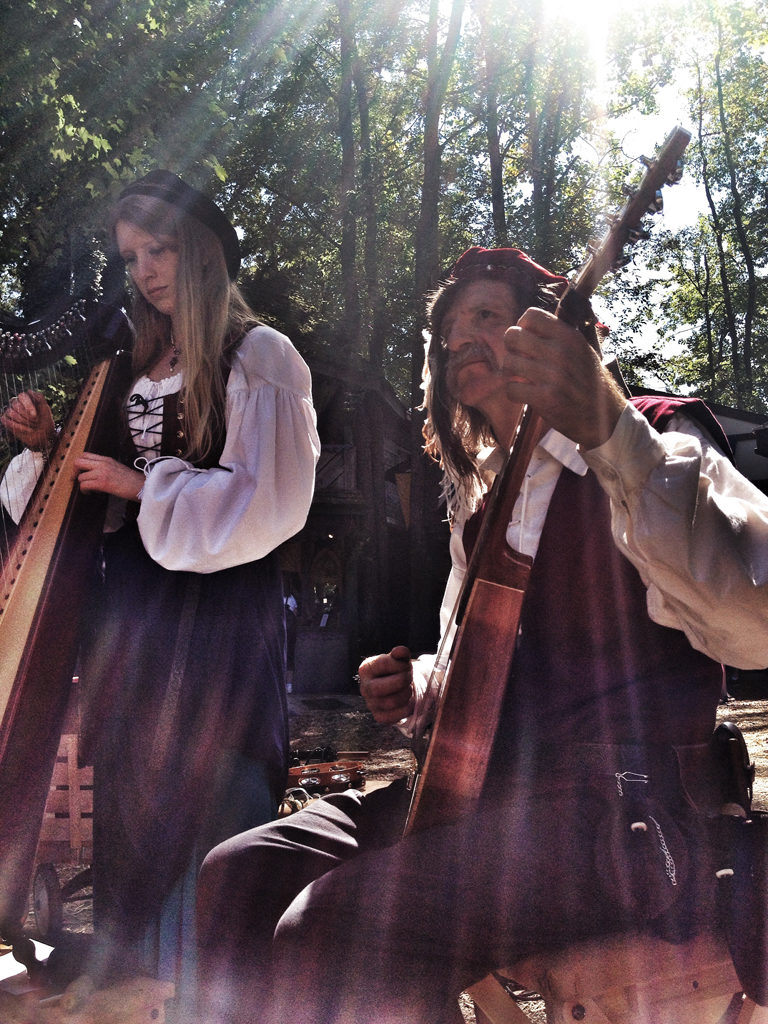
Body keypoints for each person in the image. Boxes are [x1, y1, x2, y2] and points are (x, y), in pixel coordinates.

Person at [195, 246, 768, 1024]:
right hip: (489, 799)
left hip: (621, 815)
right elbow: (480, 669)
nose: (461, 340)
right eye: (448, 331)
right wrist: (421, 685)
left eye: (488, 319)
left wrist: (608, 431)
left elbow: (753, 623)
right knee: (238, 872)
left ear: (555, 331)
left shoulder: (660, 435)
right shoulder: (481, 496)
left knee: (335, 929)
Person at [0, 171, 320, 1007]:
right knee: (128, 799)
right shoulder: (135, 365)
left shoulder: (260, 355)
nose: (143, 270)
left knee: (208, 793)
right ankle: (125, 991)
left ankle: (199, 993)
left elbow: (273, 504)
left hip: (214, 620)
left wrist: (145, 487)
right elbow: (85, 511)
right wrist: (46, 448)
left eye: (160, 248)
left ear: (203, 250)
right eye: (131, 256)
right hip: (131, 620)